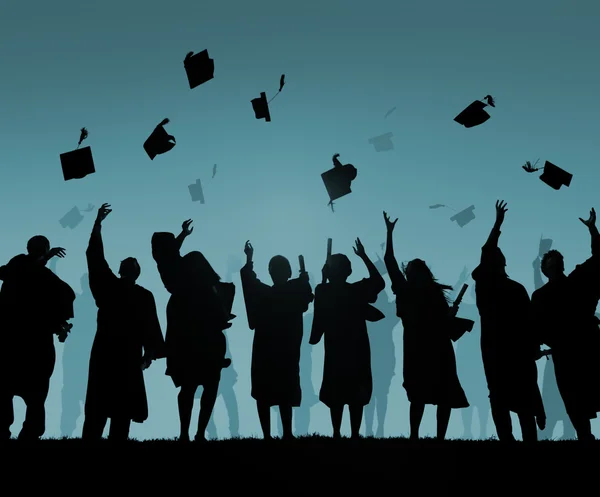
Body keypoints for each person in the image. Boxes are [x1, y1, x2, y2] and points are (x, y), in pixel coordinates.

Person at [82, 204, 165, 442]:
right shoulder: (143, 296)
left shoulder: (108, 287)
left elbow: (94, 256)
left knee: (100, 406)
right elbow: (151, 329)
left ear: (120, 271)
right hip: (127, 354)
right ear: (137, 274)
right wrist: (148, 354)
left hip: (106, 351)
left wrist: (97, 224)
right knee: (121, 410)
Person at [382, 211, 469, 440]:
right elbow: (389, 262)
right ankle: (420, 436)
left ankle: (421, 436)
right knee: (424, 393)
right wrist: (389, 234)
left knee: (435, 393)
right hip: (424, 347)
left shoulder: (415, 291)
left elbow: (390, 263)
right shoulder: (414, 290)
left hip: (426, 346)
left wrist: (449, 315)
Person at [152, 220, 234, 442]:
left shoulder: (178, 272)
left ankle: (191, 433)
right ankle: (190, 433)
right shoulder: (178, 272)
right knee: (197, 386)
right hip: (194, 333)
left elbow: (171, 252)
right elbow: (170, 254)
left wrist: (182, 235)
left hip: (193, 332)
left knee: (196, 386)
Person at [472, 200, 546, 442]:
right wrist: (497, 225)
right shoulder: (502, 288)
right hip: (505, 349)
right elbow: (530, 322)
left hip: (502, 348)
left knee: (503, 395)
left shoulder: (492, 288)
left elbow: (529, 321)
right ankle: (518, 439)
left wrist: (497, 225)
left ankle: (510, 439)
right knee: (510, 396)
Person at [530, 207, 600, 442]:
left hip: (586, 346)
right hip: (564, 351)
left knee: (588, 391)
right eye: (550, 260)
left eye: (556, 259)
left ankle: (585, 434)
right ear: (546, 268)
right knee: (572, 396)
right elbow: (536, 326)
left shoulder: (578, 280)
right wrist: (535, 347)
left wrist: (592, 229)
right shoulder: (540, 297)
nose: (554, 262)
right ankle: (584, 435)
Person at [0, 236, 75, 440]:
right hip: (15, 340)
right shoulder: (20, 264)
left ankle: (30, 432)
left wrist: (59, 323)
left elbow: (67, 295)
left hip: (33, 342)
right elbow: (21, 274)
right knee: (7, 388)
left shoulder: (46, 277)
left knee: (35, 393)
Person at [310, 238, 385, 439]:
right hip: (356, 346)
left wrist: (323, 279)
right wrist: (364, 257)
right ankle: (352, 433)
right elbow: (379, 282)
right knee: (354, 391)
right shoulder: (355, 290)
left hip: (337, 346)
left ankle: (338, 432)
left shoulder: (323, 290)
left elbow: (318, 318)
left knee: (339, 390)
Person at [240, 241, 314, 440]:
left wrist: (249, 259)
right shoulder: (293, 291)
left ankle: (270, 435)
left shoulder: (266, 293)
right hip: (285, 349)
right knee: (283, 389)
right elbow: (307, 297)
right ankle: (285, 433)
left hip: (268, 348)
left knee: (272, 390)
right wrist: (304, 281)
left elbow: (248, 279)